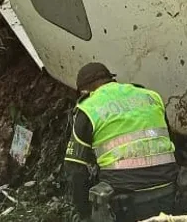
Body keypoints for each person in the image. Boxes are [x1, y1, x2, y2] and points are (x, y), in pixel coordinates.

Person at [63, 62, 179, 221]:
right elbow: (169, 141)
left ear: (84, 91)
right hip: (168, 190)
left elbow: (75, 169)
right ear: (112, 80)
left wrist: (84, 213)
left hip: (125, 201)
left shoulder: (88, 108)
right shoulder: (150, 96)